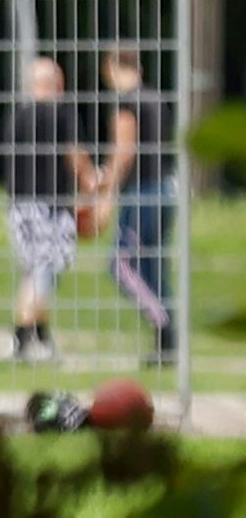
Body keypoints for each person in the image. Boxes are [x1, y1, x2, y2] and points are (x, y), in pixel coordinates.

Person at [2, 58, 97, 364]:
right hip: (50, 206)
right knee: (45, 271)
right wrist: (91, 185)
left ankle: (41, 336)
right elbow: (74, 155)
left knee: (33, 269)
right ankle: (22, 337)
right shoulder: (61, 113)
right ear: (58, 83)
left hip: (18, 205)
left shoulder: (17, 115)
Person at [97, 48, 177, 367]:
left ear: (111, 67)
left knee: (121, 266)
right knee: (155, 270)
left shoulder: (126, 101)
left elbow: (124, 150)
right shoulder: (156, 99)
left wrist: (106, 196)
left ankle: (165, 327)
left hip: (143, 192)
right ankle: (166, 346)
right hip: (166, 188)